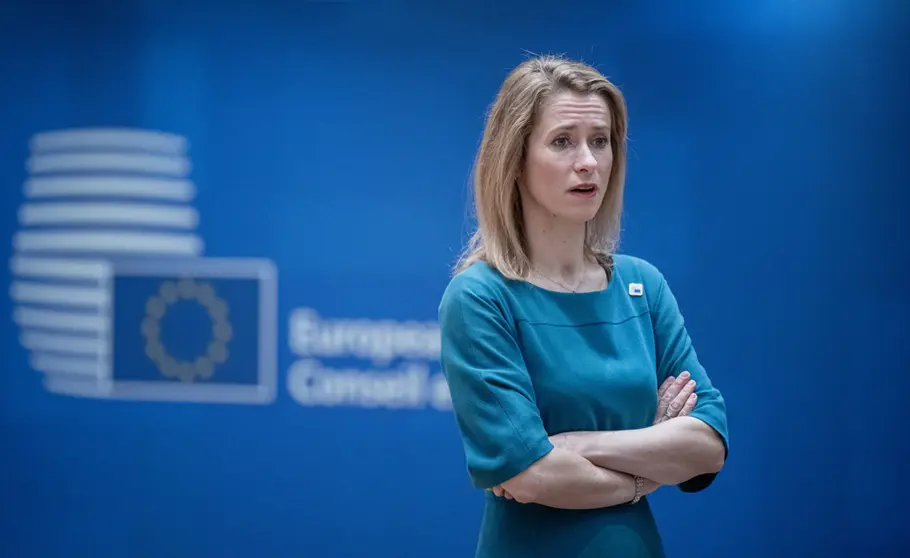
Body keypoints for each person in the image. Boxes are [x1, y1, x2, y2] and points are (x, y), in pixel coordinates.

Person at [437, 55, 730, 558]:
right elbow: (530, 476)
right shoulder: (481, 296)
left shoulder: (644, 285)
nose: (589, 161)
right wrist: (647, 472)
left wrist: (576, 445)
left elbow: (708, 444)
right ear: (514, 158)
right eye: (562, 141)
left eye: (600, 140)